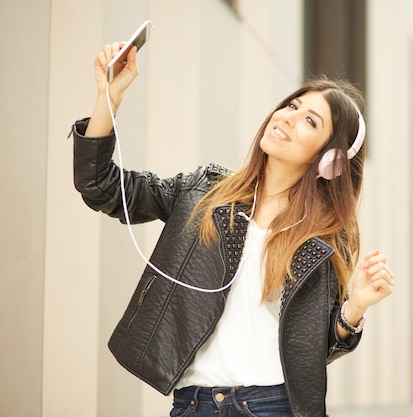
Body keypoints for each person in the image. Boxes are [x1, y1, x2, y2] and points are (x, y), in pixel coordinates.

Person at [71, 42, 394, 417]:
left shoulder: (325, 237)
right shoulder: (202, 191)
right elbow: (101, 187)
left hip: (271, 406)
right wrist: (107, 99)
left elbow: (313, 350)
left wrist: (354, 309)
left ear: (331, 161)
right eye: (291, 106)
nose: (288, 117)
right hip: (193, 405)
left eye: (310, 121)